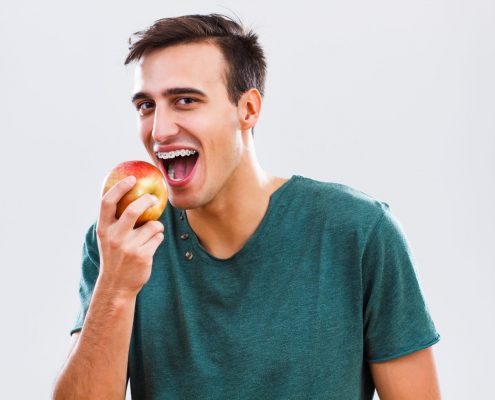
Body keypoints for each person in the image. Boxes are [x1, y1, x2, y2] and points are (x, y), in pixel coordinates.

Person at [52, 13, 441, 400]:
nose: (159, 131)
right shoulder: (120, 241)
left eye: (185, 101)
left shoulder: (359, 232)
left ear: (248, 109)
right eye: (146, 106)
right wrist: (115, 289)